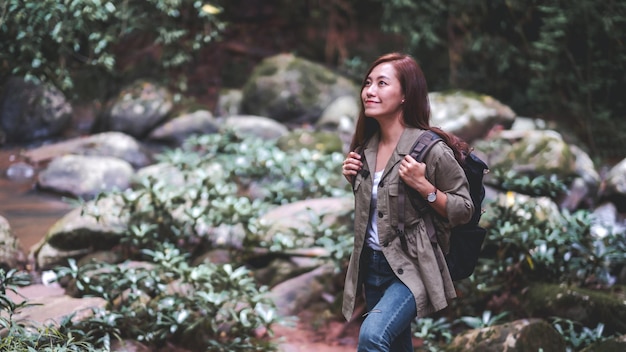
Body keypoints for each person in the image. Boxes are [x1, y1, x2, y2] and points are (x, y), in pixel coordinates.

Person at [341, 52, 474, 351]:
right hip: (372, 265)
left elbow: (464, 209)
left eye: (382, 83)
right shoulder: (366, 149)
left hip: (412, 266)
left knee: (372, 337)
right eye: (367, 83)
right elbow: (380, 211)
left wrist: (425, 186)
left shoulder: (431, 150)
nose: (370, 91)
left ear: (405, 95)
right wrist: (354, 180)